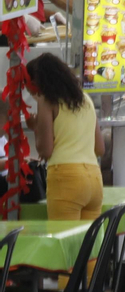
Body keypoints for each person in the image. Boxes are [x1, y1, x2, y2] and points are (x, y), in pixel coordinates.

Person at [27, 52, 103, 220]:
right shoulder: (85, 99)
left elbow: (45, 150)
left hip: (66, 178)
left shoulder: (47, 101)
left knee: (65, 243)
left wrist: (35, 127)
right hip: (94, 178)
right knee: (90, 244)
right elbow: (100, 148)